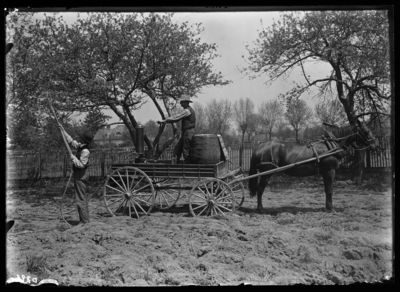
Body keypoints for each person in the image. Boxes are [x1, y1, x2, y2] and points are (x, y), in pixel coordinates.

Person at [59, 126, 95, 227]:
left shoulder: (85, 151)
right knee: (81, 197)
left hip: (81, 175)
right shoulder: (80, 146)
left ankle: (84, 221)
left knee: (81, 198)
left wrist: (73, 158)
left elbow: (81, 164)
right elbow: (70, 141)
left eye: (80, 137)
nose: (78, 138)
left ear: (83, 139)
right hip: (78, 174)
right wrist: (63, 130)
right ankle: (85, 220)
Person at [157, 95, 196, 164]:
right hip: (185, 132)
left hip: (188, 133)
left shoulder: (187, 111)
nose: (180, 103)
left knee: (186, 152)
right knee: (177, 151)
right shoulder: (187, 110)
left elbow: (176, 118)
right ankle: (174, 168)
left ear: (186, 102)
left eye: (182, 101)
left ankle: (189, 170)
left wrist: (165, 120)